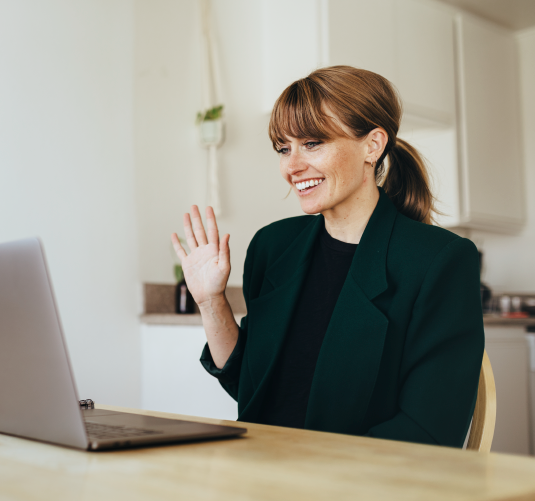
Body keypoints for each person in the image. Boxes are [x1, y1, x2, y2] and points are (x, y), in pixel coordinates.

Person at [171, 66, 484, 447]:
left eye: (313, 143)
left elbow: (430, 431)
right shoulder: (272, 247)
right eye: (284, 148)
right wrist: (210, 301)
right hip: (260, 475)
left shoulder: (440, 260)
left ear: (373, 145)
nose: (292, 166)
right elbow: (253, 392)